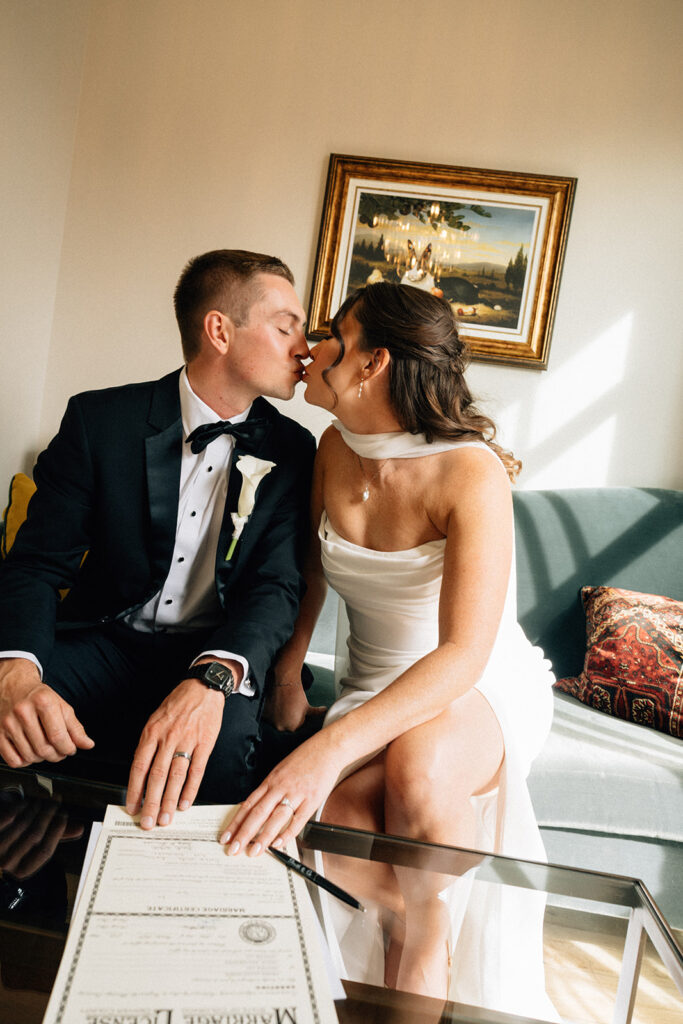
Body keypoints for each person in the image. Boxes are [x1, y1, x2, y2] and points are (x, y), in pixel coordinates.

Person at [224, 282, 556, 1012]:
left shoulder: (469, 470)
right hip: (373, 682)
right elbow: (311, 571)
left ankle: (429, 943)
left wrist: (327, 749)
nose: (309, 347)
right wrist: (288, 674)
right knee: (338, 826)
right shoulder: (331, 447)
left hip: (475, 683)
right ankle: (400, 933)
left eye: (330, 335)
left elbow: (463, 654)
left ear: (371, 363)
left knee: (417, 767)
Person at [0, 249, 315, 831]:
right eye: (285, 326)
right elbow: (38, 564)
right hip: (105, 640)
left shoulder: (294, 451)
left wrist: (215, 677)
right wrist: (15, 672)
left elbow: (274, 588)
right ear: (219, 330)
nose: (305, 348)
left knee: (214, 758)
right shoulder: (100, 421)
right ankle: (29, 901)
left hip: (214, 649)